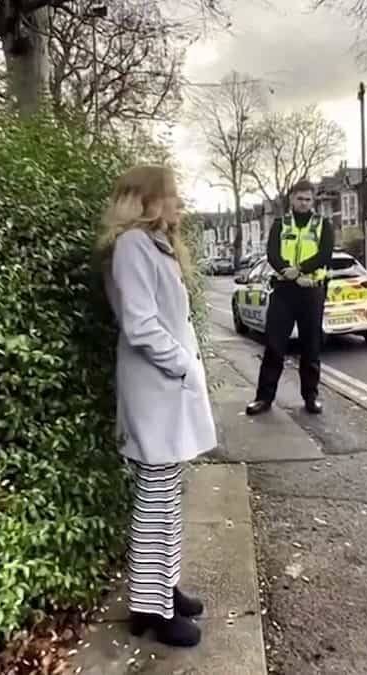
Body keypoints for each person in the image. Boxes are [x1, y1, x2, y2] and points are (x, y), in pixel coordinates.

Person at [98, 165, 218, 648]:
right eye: (170, 195)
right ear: (146, 200)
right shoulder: (132, 247)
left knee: (165, 498)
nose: (178, 204)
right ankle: (150, 608)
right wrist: (185, 367)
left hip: (165, 389)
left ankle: (162, 591)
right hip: (157, 387)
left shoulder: (153, 245)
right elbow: (141, 325)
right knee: (155, 501)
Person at [245, 179, 335, 416]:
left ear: (312, 201)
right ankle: (263, 398)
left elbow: (325, 253)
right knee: (274, 345)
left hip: (311, 291)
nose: (304, 203)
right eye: (300, 198)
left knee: (311, 347)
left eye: (308, 199)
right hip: (284, 291)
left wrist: (302, 269)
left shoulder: (323, 224)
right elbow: (272, 253)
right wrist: (290, 273)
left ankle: (311, 397)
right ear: (292, 199)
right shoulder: (280, 224)